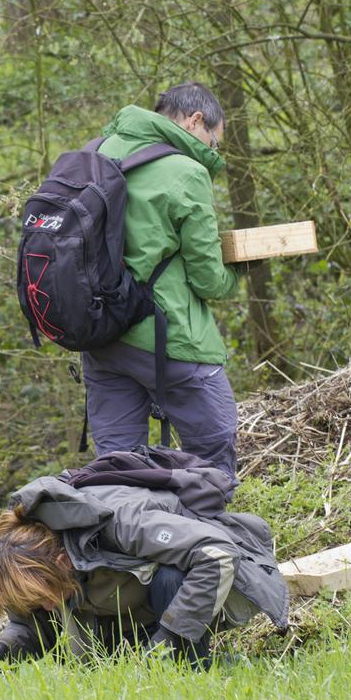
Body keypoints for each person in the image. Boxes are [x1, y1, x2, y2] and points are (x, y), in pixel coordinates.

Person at [0, 450, 289, 668]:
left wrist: (169, 638)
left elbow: (217, 554)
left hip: (222, 579)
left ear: (62, 560)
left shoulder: (123, 523)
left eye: (46, 598)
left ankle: (192, 667)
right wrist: (4, 648)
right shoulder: (32, 559)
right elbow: (31, 621)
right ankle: (147, 660)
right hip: (130, 607)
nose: (48, 608)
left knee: (171, 577)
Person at [84, 82, 242, 484]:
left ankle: (131, 541)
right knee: (212, 449)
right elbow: (207, 278)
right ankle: (203, 541)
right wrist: (237, 272)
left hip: (100, 334)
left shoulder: (97, 151)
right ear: (195, 121)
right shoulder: (186, 172)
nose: (213, 152)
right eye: (214, 142)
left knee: (117, 465)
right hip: (169, 338)